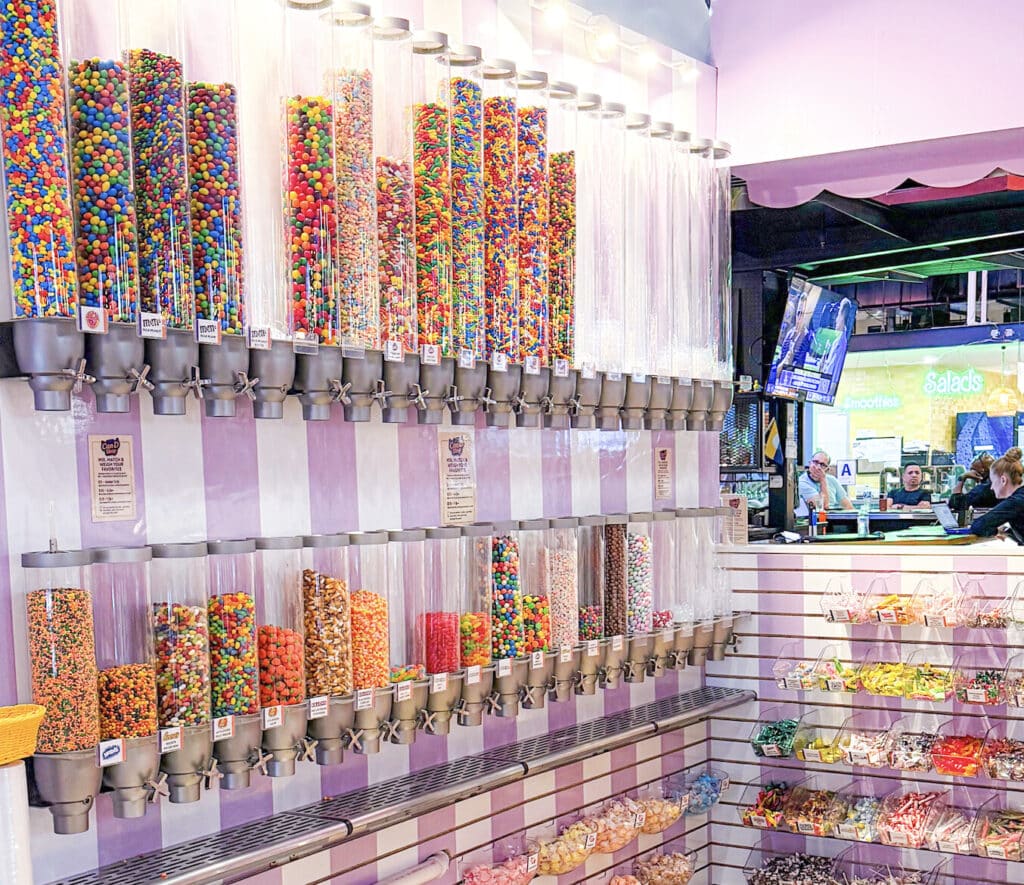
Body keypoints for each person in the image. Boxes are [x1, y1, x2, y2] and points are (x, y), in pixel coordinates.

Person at [970, 448, 1024, 539]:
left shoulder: (1015, 502)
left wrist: (996, 531)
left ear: (1003, 480)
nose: (992, 487)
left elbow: (979, 526)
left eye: (993, 481)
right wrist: (1007, 531)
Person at [796, 450, 853, 517]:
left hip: (834, 519)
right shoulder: (802, 482)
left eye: (822, 465)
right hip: (815, 520)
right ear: (810, 463)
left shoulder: (832, 480)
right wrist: (823, 480)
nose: (818, 467)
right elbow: (822, 507)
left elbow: (848, 507)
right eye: (815, 462)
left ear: (827, 469)